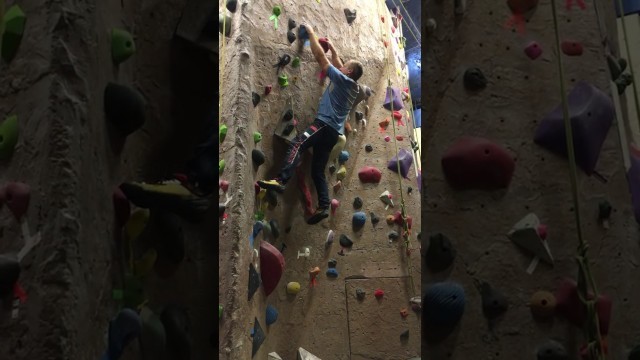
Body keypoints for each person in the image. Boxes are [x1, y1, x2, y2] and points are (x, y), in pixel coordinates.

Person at [257, 24, 364, 225]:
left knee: (297, 143)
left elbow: (320, 59)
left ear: (347, 72)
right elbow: (339, 64)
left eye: (344, 66)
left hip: (323, 125)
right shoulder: (351, 85)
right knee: (317, 171)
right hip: (332, 133)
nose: (340, 66)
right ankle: (323, 205)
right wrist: (333, 49)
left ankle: (280, 180)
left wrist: (312, 34)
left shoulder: (342, 79)